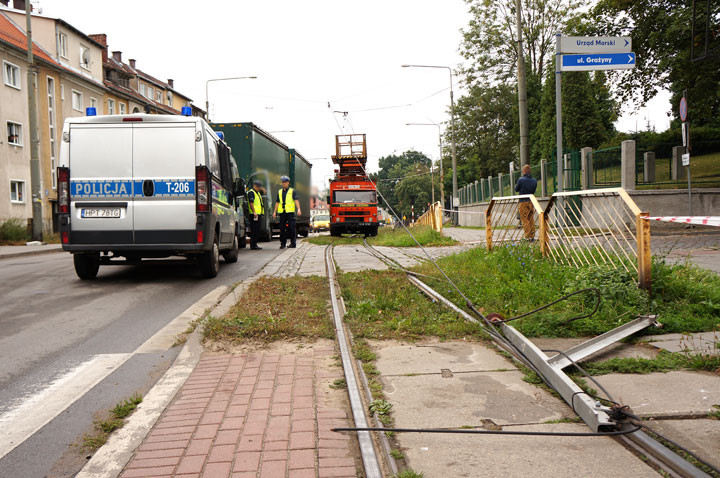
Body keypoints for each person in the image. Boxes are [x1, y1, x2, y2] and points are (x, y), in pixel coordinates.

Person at [273, 175, 301, 249]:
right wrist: (274, 212)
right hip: (282, 212)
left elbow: (296, 200)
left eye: (285, 182)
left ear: (288, 183)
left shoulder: (292, 191)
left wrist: (298, 209)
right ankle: (283, 243)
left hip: (290, 212)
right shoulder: (279, 192)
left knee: (292, 228)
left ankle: (293, 243)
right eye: (282, 182)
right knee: (282, 228)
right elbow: (277, 202)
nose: (283, 183)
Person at [515, 164, 538, 241]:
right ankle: (532, 235)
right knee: (531, 218)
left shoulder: (521, 180)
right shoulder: (534, 180)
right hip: (531, 201)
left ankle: (527, 236)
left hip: (523, 201)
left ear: (524, 171)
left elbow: (516, 189)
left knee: (525, 219)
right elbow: (533, 191)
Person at [247, 180, 265, 250]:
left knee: (257, 230)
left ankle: (255, 244)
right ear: (254, 186)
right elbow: (251, 203)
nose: (258, 188)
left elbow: (264, 192)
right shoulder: (251, 192)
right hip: (254, 214)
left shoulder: (257, 193)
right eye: (257, 186)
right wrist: (254, 212)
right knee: (254, 230)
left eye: (259, 187)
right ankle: (253, 245)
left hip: (258, 214)